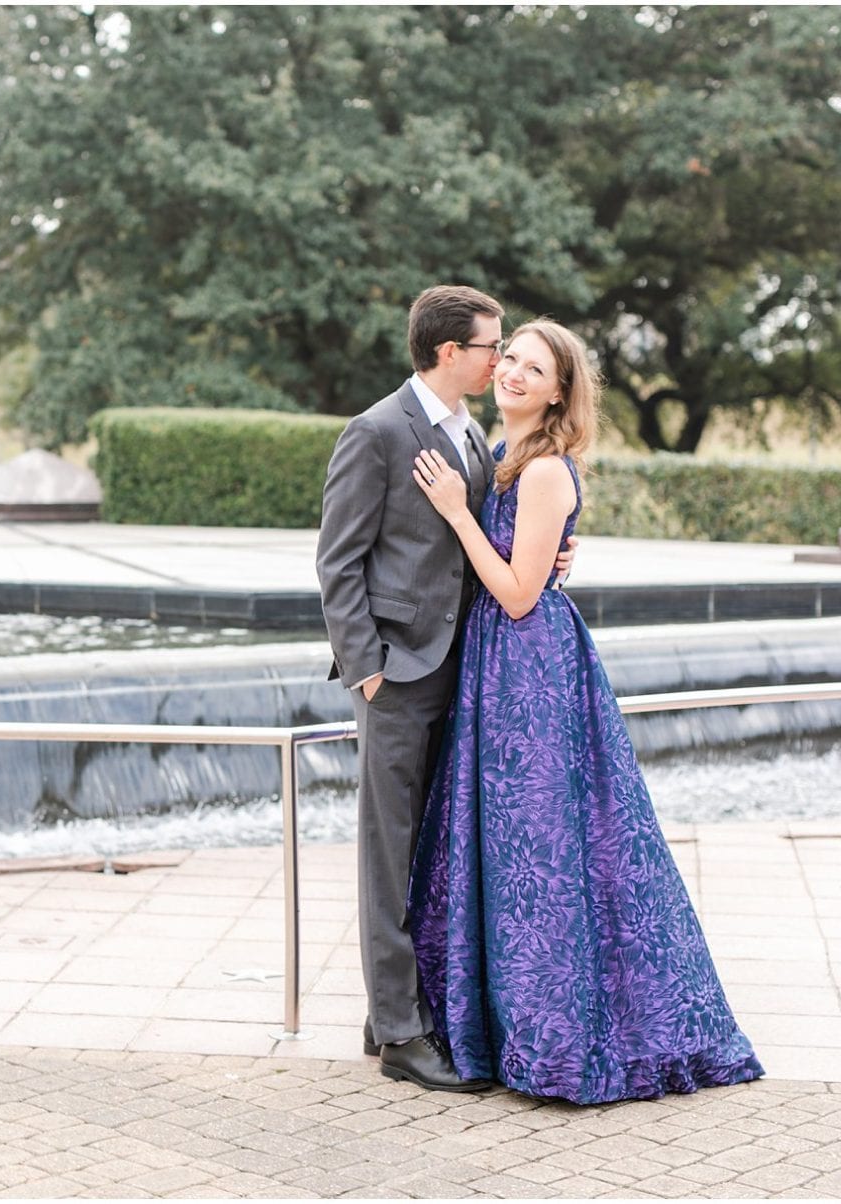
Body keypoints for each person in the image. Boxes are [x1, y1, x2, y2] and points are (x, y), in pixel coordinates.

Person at [406, 318, 764, 1105]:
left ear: (561, 390)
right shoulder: (501, 456)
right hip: (496, 668)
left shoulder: (540, 472)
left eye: (536, 368)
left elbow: (519, 592)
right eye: (510, 360)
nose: (514, 374)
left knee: (544, 852)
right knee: (507, 847)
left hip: (530, 675)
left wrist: (457, 512)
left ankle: (560, 1043)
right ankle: (497, 1027)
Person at [316, 286, 575, 1092]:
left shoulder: (478, 439)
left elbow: (497, 544)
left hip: (468, 677)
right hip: (397, 678)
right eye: (492, 346)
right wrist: (368, 668)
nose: (501, 360)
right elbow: (338, 563)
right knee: (389, 857)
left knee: (433, 854)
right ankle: (400, 1037)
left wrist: (555, 556)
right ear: (448, 352)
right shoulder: (378, 431)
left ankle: (389, 1008)